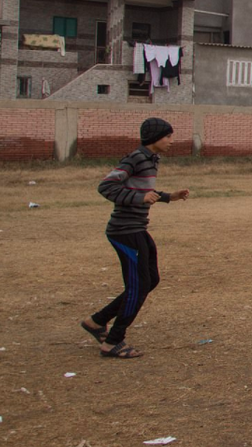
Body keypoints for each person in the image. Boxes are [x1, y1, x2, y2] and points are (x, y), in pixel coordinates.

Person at [80, 117, 189, 359]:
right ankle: (113, 342)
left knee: (150, 280)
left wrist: (169, 196)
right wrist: (139, 199)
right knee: (137, 285)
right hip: (124, 231)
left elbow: (142, 190)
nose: (172, 141)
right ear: (154, 138)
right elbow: (106, 187)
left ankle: (96, 322)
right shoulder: (136, 158)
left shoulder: (151, 159)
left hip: (137, 228)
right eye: (168, 136)